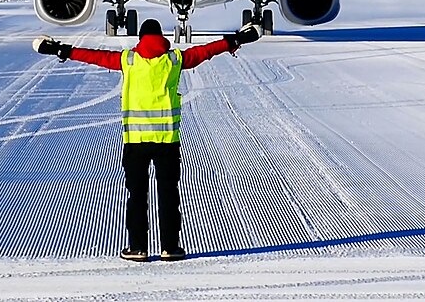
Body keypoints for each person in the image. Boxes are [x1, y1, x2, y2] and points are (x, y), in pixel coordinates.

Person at [33, 18, 260, 262]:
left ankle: (138, 248)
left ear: (141, 38)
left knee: (137, 196)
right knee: (168, 194)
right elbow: (205, 51)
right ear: (161, 37)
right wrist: (234, 40)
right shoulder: (174, 60)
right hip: (167, 142)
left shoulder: (128, 60)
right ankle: (170, 248)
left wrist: (61, 50)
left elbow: (93, 56)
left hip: (136, 142)